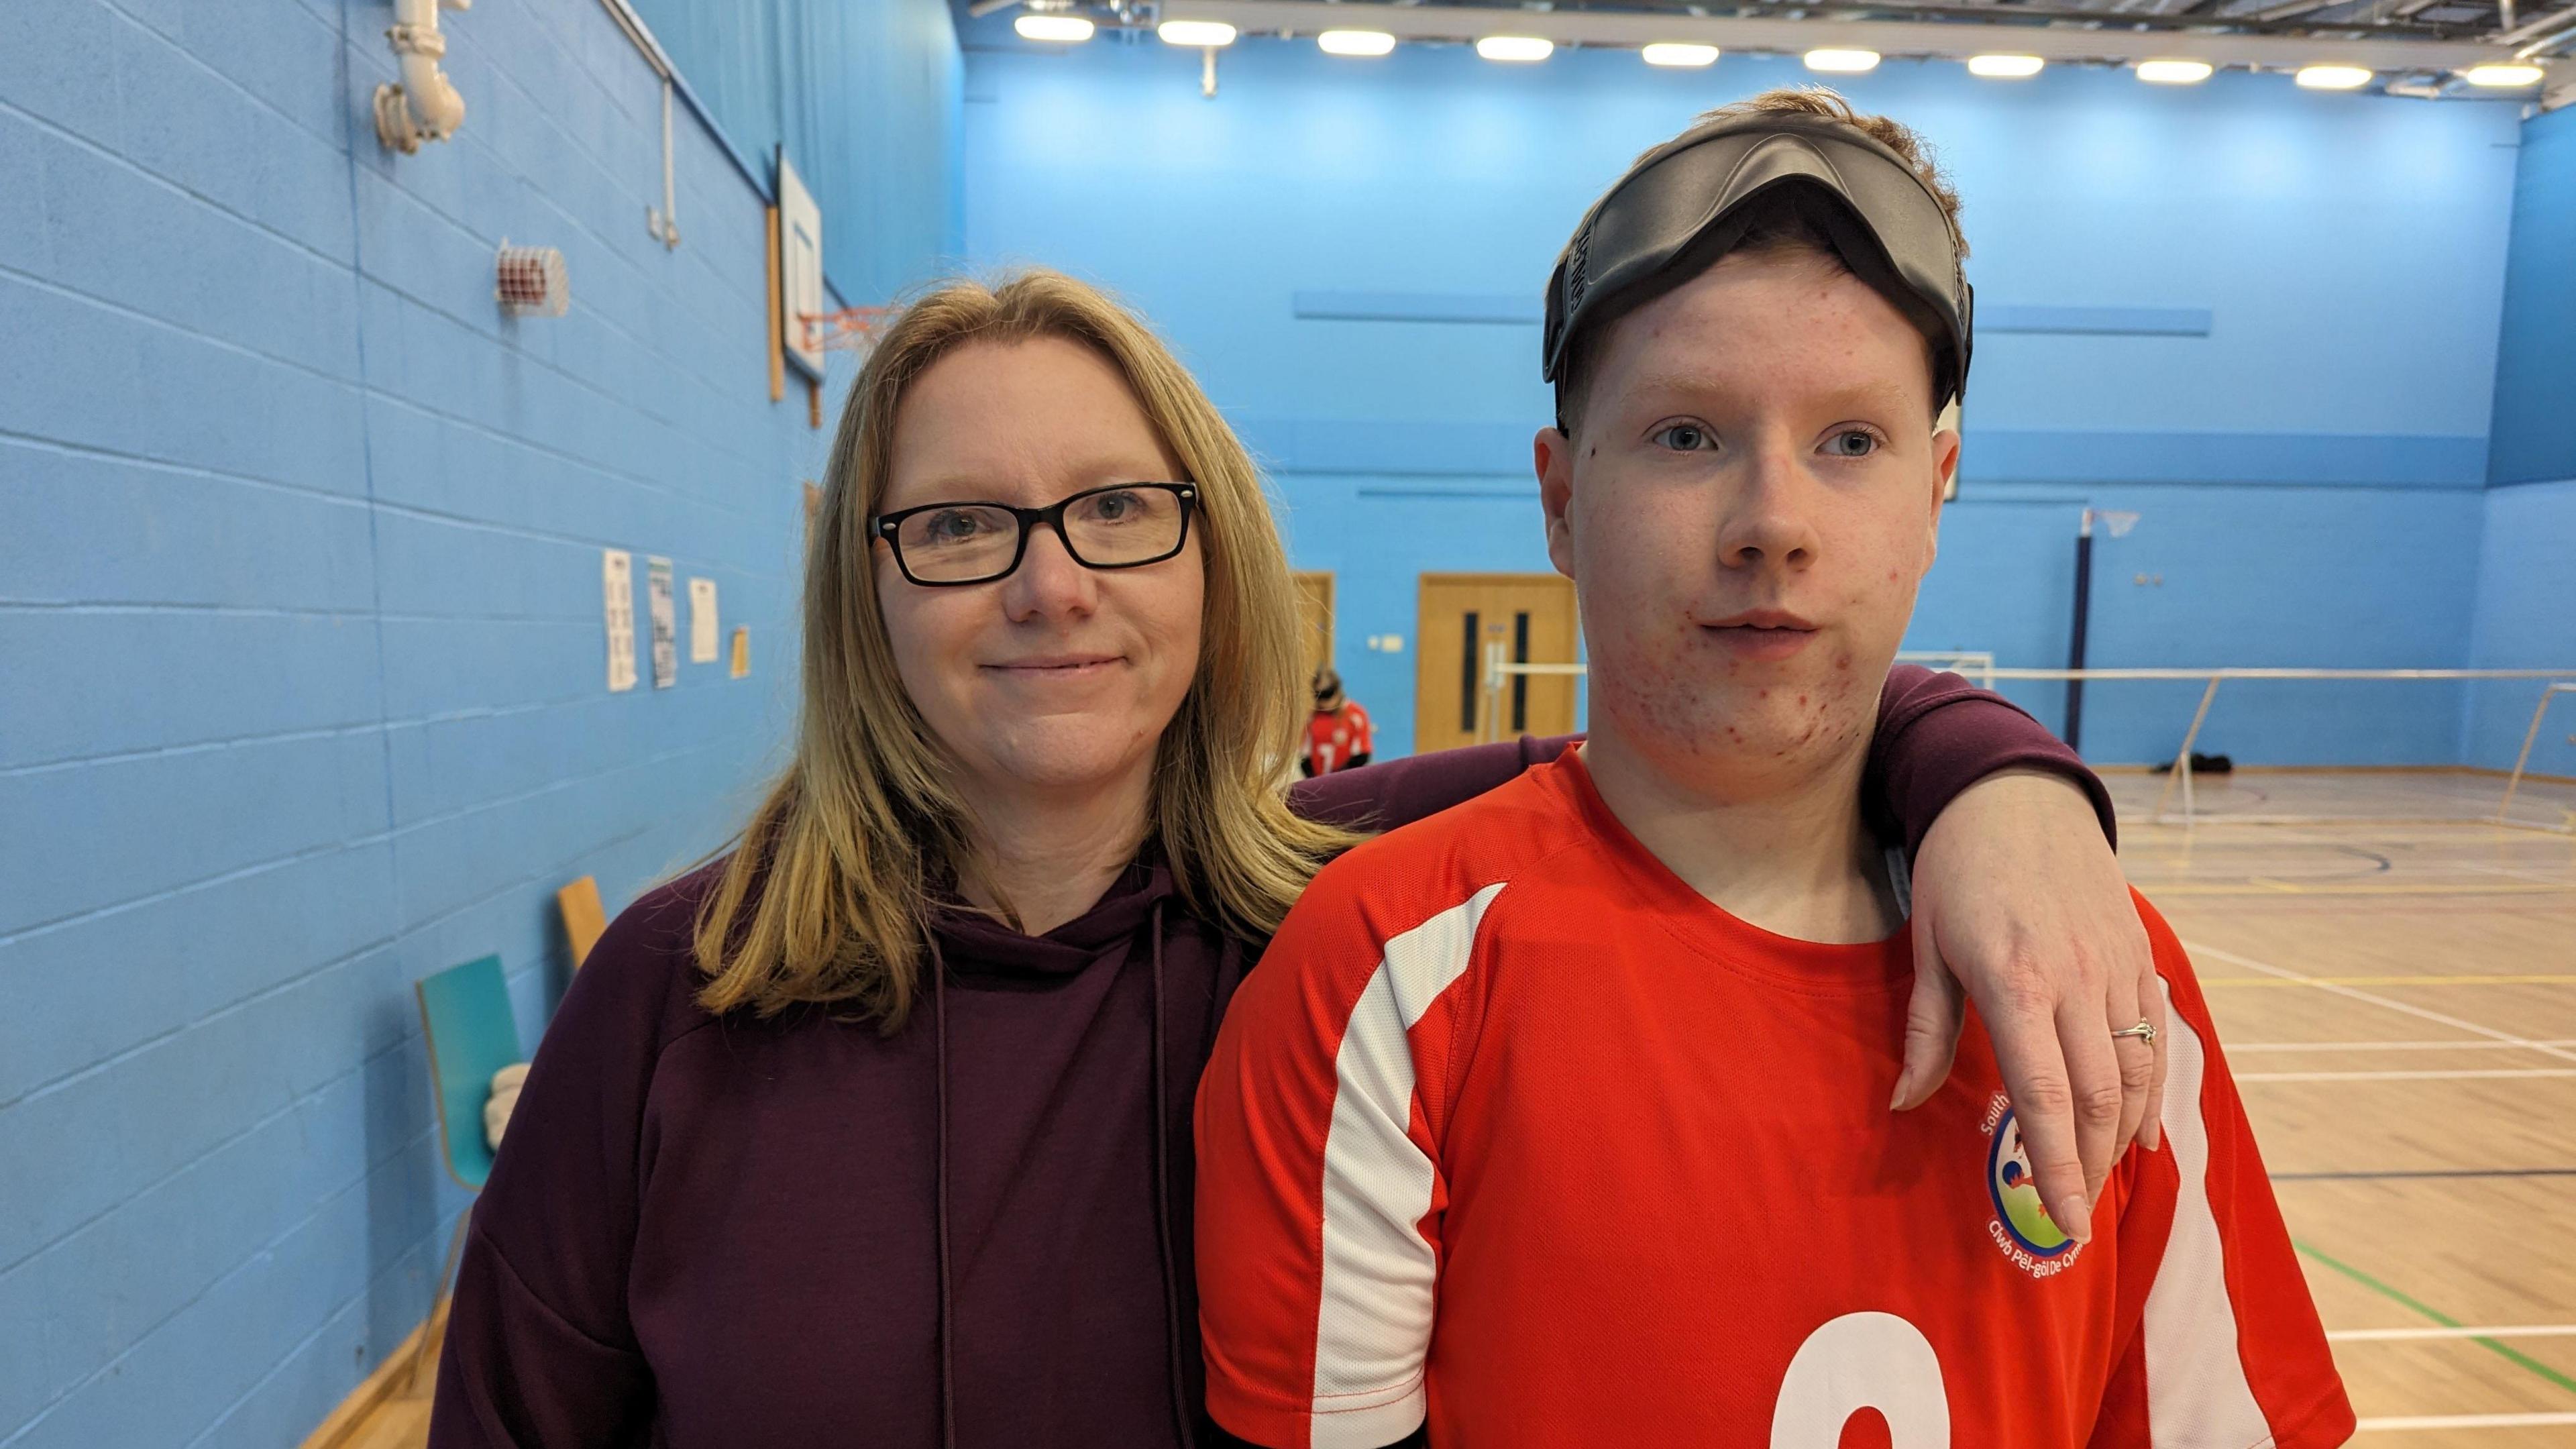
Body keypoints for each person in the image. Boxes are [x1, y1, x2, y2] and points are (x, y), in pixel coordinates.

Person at [430, 269, 2161, 1449]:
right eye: (960, 525)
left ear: (1212, 554)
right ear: (866, 585)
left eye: (1117, 509)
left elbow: (1745, 722)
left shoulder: (1365, 897)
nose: (1051, 585)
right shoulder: (684, 986)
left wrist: (1999, 787)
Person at [1193, 92, 2351, 1449]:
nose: (1773, 524)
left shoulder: (2101, 975)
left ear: (1940, 488)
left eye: (1850, 442)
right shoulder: (1384, 970)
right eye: (1687, 436)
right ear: (1562, 499)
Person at [1302, 667, 1374, 776]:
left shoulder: (1355, 715)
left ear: (1337, 690)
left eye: (1327, 694)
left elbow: (1362, 755)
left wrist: (1338, 779)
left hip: (1347, 781)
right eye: (1318, 695)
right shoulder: (1312, 718)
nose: (1323, 702)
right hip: (1318, 783)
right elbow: (1305, 756)